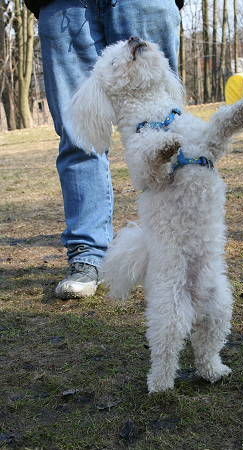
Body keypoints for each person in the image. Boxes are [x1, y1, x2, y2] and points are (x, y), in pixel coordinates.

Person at [24, 0, 184, 299]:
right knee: (78, 135)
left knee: (167, 128)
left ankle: (177, 249)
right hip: (64, 6)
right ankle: (88, 256)